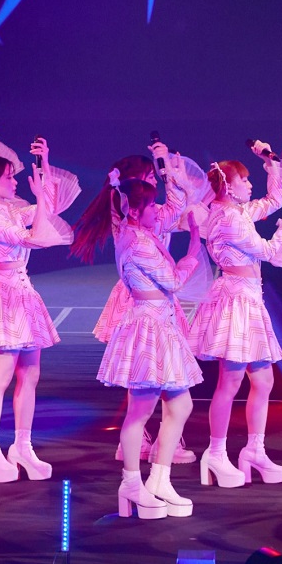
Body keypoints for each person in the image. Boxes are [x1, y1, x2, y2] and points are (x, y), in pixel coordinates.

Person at [80, 176, 203, 519]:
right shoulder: (138, 243)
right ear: (135, 210)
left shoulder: (135, 232)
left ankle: (160, 478)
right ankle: (131, 483)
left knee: (181, 405)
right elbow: (174, 281)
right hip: (148, 327)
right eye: (150, 205)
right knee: (140, 412)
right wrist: (193, 249)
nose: (156, 210)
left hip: (160, 324)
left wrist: (171, 174)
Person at [189, 142, 282, 488]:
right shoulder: (228, 218)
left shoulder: (236, 212)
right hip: (236, 301)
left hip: (250, 298)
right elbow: (269, 251)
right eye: (245, 179)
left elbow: (272, 199)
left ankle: (254, 450)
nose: (250, 184)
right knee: (230, 381)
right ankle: (216, 453)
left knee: (264, 380)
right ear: (229, 186)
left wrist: (271, 164)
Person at [0, 139, 67, 483]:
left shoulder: (8, 211)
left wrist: (45, 164)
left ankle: (22, 446)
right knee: (0, 377)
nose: (15, 181)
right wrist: (38, 200)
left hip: (22, 293)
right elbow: (35, 238)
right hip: (2, 296)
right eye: (9, 177)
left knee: (29, 374)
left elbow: (49, 208)